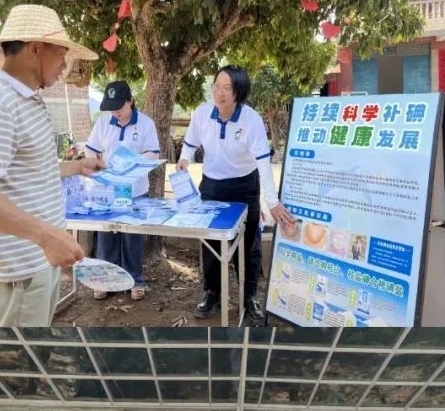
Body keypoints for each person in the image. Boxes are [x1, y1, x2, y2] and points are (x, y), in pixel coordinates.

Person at [0, 4, 102, 327]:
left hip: (35, 259)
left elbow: (27, 170)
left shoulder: (23, 98)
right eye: (61, 54)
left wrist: (78, 166)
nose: (64, 66)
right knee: (19, 356)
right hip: (18, 269)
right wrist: (47, 236)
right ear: (36, 49)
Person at [178, 65, 293, 324]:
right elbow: (189, 144)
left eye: (227, 88)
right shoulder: (202, 113)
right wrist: (184, 159)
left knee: (249, 242)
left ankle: (249, 297)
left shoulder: (251, 120)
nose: (219, 92)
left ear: (239, 92)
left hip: (244, 186)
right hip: (212, 186)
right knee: (211, 242)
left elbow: (263, 163)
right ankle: (212, 293)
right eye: (217, 86)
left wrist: (272, 202)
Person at [84, 80, 160, 301]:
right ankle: (105, 281)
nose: (115, 112)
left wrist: (132, 162)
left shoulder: (145, 123)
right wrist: (95, 163)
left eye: (119, 106)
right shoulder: (103, 122)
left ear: (130, 101)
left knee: (131, 237)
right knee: (106, 235)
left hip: (135, 189)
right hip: (108, 189)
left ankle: (135, 280)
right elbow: (91, 148)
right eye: (111, 107)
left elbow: (153, 153)